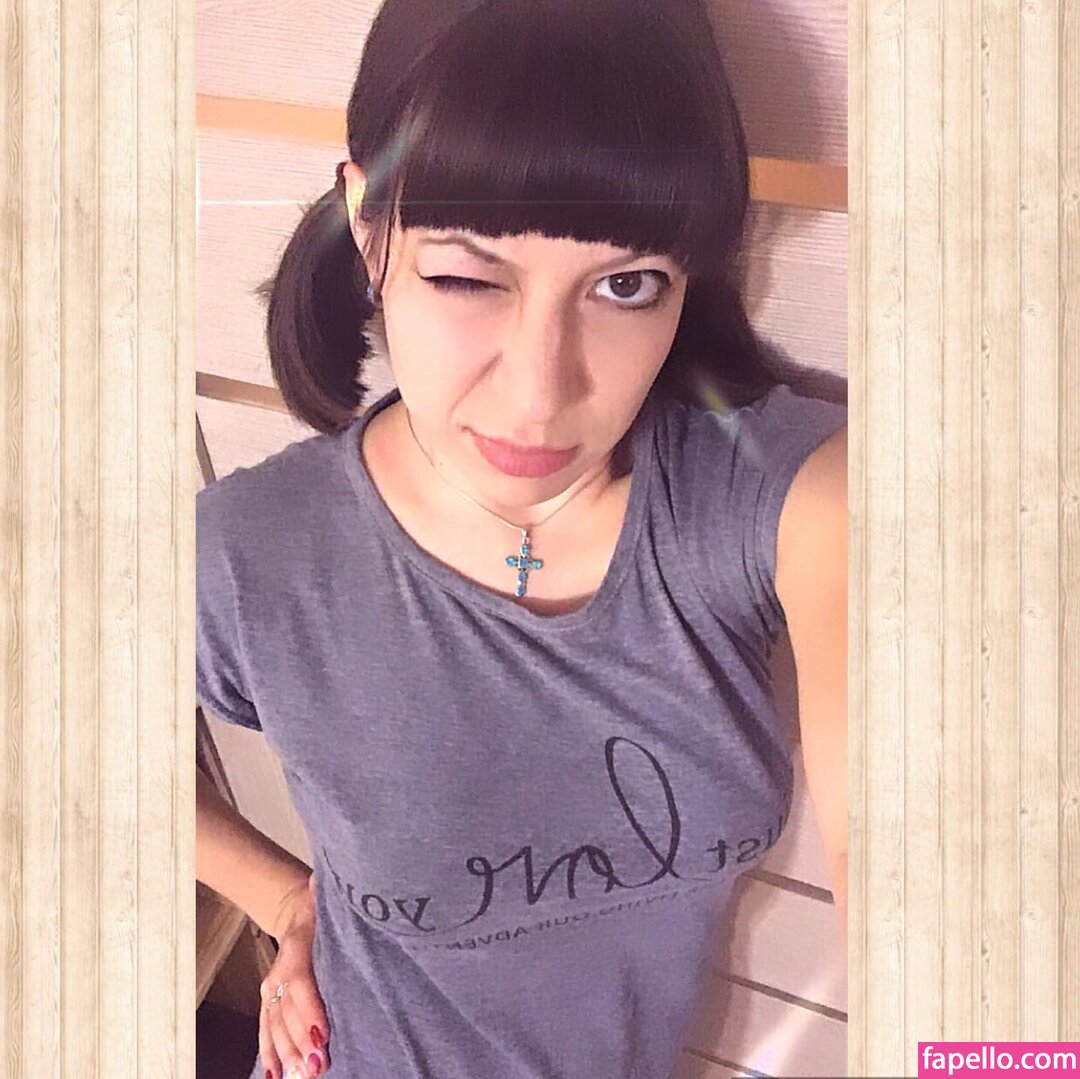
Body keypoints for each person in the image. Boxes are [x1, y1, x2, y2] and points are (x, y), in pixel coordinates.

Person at [195, 1, 848, 1077]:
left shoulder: (779, 499)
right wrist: (285, 898)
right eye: (466, 275)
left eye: (625, 285)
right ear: (367, 224)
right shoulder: (247, 554)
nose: (542, 394)